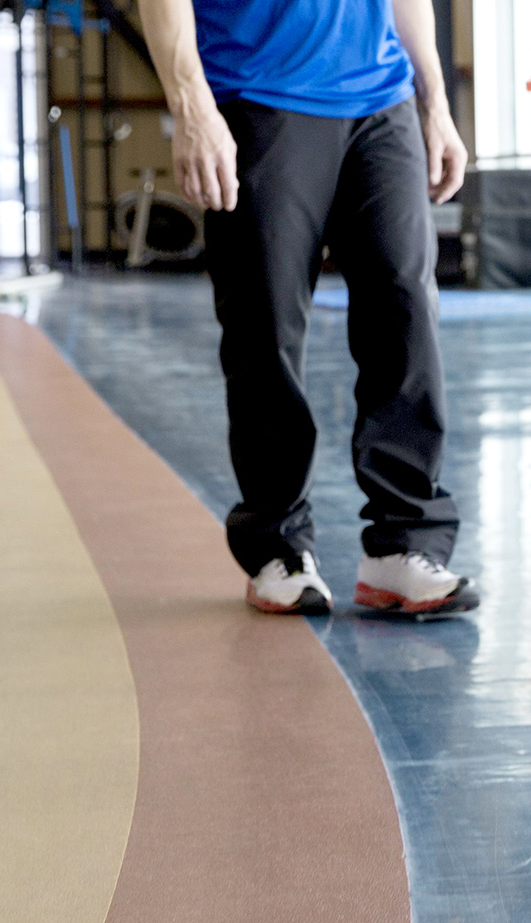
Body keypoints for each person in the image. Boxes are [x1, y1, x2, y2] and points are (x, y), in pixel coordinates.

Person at [141, 0, 478, 615]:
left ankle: (403, 545)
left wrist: (434, 100)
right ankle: (278, 544)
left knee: (407, 308)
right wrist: (192, 106)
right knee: (265, 320)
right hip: (257, 91)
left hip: (382, 97)